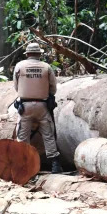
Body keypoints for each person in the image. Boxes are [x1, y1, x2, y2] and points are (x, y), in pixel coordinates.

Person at [13, 42, 62, 174]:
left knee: (23, 136)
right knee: (48, 135)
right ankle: (55, 165)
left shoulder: (19, 66)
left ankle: (23, 165)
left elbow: (16, 87)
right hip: (42, 106)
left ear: (27, 54)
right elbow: (53, 88)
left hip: (25, 106)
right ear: (39, 54)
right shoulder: (46, 67)